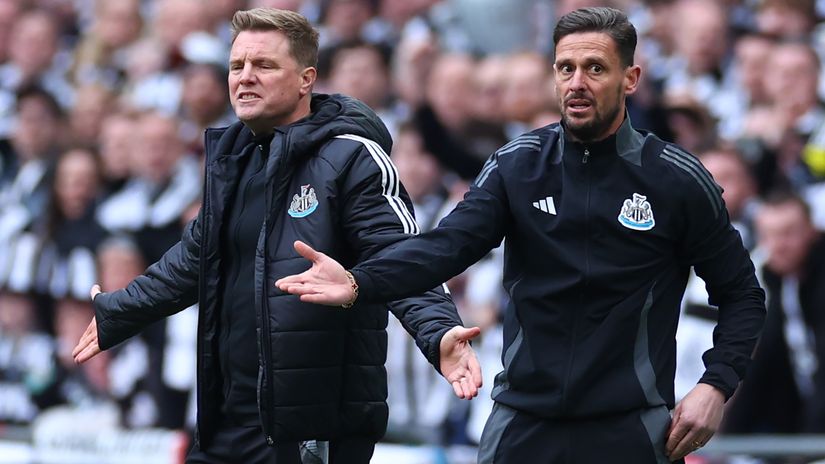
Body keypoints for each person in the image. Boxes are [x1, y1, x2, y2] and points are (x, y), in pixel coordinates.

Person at [276, 7, 767, 463]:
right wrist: (359, 282)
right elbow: (445, 247)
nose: (577, 83)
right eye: (566, 68)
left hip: (630, 427)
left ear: (631, 78)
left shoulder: (676, 179)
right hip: (523, 422)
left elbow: (743, 294)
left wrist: (715, 385)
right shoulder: (519, 165)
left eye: (595, 68)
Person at [72, 8, 481, 464]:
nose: (245, 77)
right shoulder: (234, 159)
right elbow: (194, 260)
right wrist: (120, 312)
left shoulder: (351, 157)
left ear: (306, 80)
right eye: (236, 65)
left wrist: (437, 330)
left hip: (311, 432)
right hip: (226, 422)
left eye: (263, 65)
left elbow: (401, 254)